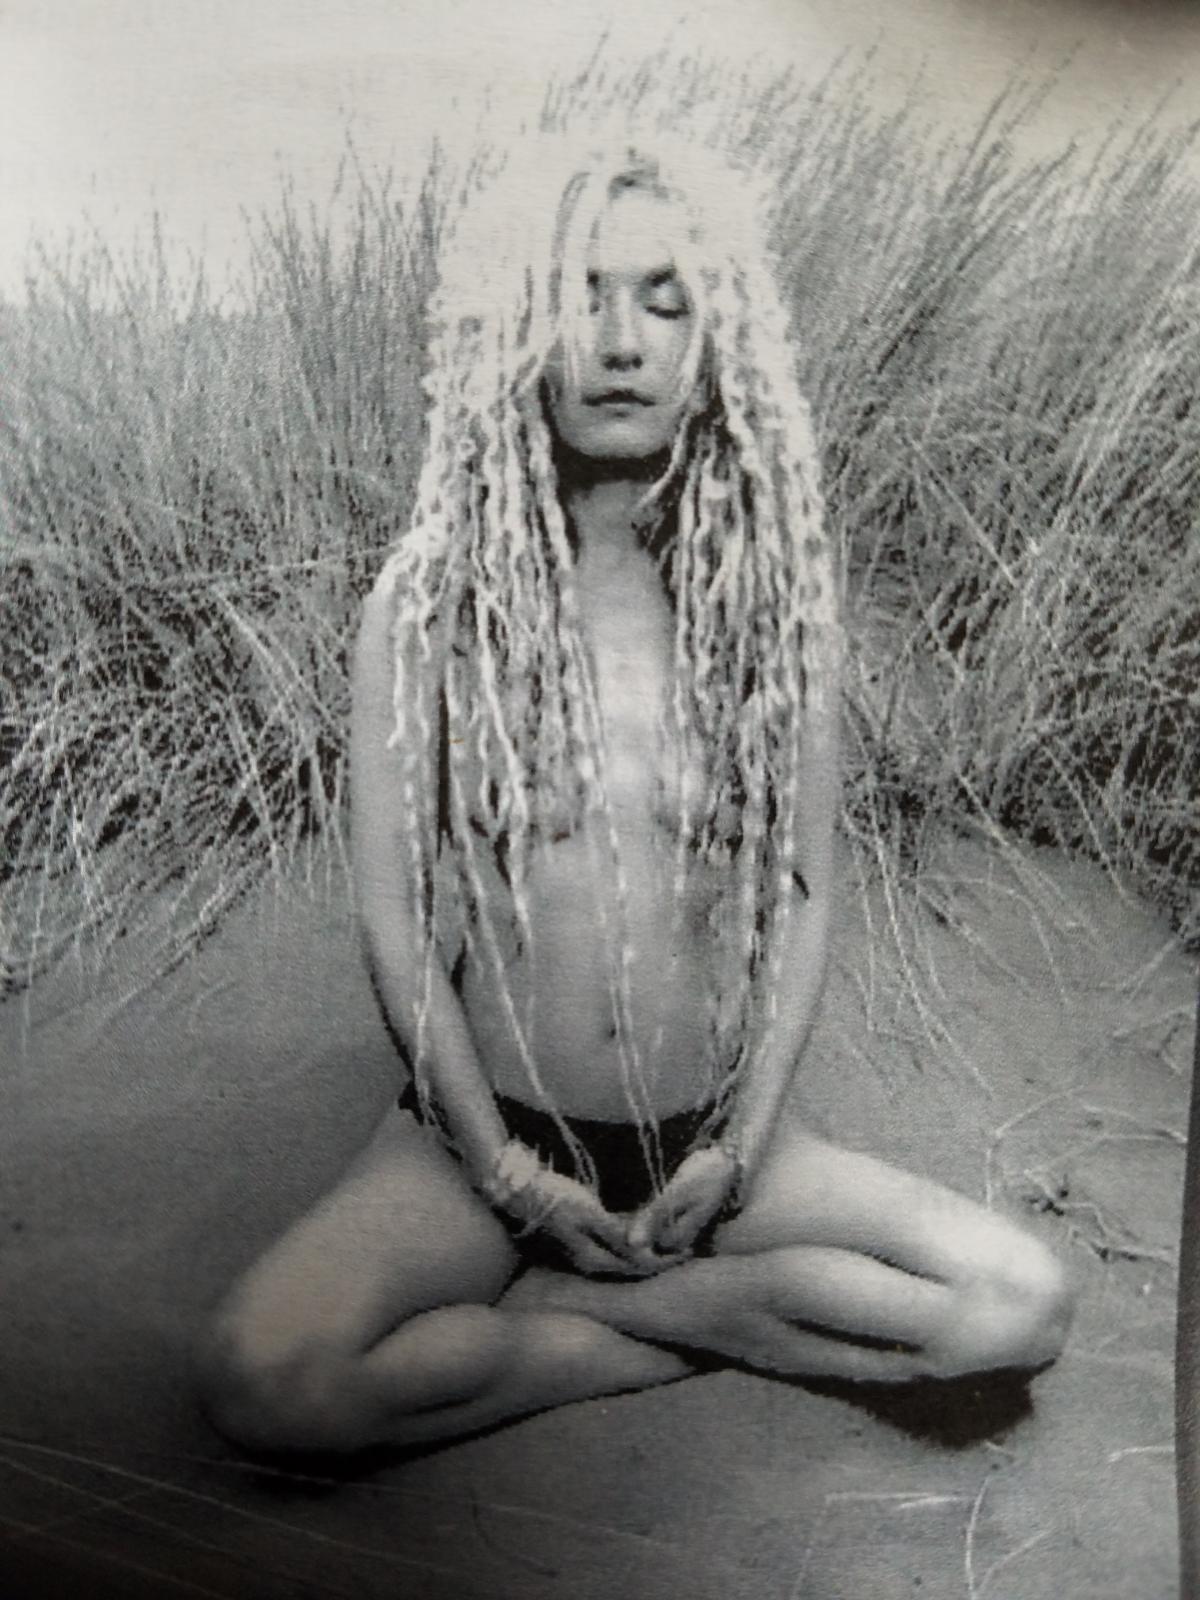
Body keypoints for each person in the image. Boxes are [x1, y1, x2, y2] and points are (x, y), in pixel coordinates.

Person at [195, 136, 1073, 1456]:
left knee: (1020, 1306)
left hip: (711, 1151)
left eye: (664, 300)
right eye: (578, 296)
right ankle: (681, 1328)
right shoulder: (431, 604)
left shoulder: (769, 606)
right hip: (482, 1145)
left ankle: (635, 1310)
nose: (619, 341)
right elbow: (395, 927)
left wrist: (741, 1149)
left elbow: (806, 898)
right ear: (516, 331)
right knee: (263, 1381)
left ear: (716, 341)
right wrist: (505, 1174)